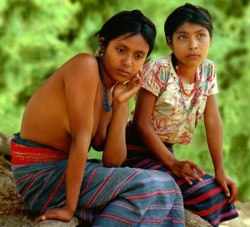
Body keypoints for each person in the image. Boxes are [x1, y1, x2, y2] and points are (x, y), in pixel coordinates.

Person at [10, 10, 185, 226]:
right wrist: (68, 209)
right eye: (121, 50)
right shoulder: (85, 67)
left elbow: (113, 160)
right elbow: (81, 141)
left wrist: (122, 104)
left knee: (169, 189)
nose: (128, 62)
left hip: (65, 173)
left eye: (138, 56)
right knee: (153, 185)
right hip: (41, 178)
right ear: (103, 44)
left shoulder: (112, 91)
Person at [122, 4, 239, 227]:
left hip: (166, 152)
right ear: (170, 42)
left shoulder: (208, 70)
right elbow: (140, 123)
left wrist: (220, 172)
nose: (193, 45)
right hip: (136, 150)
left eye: (201, 36)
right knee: (189, 189)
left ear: (210, 40)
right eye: (183, 37)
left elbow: (212, 119)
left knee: (220, 192)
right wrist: (173, 163)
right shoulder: (159, 69)